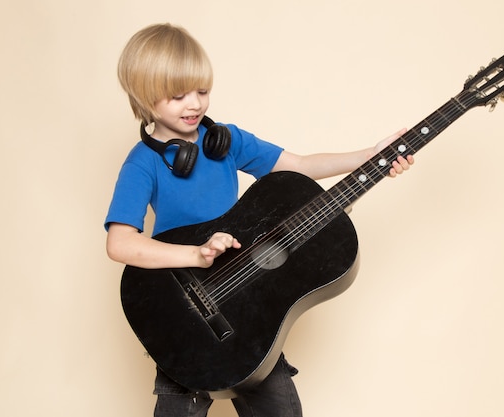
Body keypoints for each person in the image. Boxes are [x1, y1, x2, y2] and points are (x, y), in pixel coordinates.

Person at [105, 23, 415, 417]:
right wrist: (197, 255)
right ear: (145, 98)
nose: (194, 104)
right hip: (181, 311)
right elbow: (120, 244)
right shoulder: (142, 163)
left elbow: (301, 166)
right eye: (177, 95)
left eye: (202, 91)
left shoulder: (226, 141)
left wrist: (372, 154)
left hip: (247, 310)